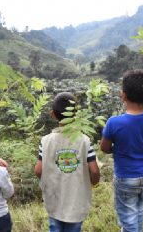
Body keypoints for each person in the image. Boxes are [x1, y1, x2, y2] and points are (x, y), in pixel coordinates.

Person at [100, 70, 143, 232]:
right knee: (138, 209)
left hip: (125, 177)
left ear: (122, 95)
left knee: (128, 216)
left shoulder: (113, 123)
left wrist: (117, 148)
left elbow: (104, 148)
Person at [35, 92, 100, 232]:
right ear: (76, 114)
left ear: (52, 114)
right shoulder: (84, 140)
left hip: (54, 197)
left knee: (55, 225)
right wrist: (94, 182)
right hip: (76, 198)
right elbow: (94, 170)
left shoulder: (45, 141)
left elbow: (38, 171)